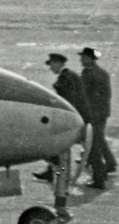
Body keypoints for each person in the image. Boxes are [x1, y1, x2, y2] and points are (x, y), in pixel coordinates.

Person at [33, 53, 90, 182]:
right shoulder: (68, 75)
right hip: (79, 115)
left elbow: (68, 99)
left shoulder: (65, 77)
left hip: (73, 117)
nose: (51, 68)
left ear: (58, 63)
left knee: (58, 145)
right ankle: (53, 173)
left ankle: (59, 175)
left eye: (52, 64)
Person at [80, 47, 115, 189]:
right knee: (99, 139)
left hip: (92, 114)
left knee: (93, 146)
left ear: (89, 58)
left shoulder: (88, 73)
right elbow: (107, 95)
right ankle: (111, 163)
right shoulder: (102, 73)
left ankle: (99, 178)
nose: (81, 60)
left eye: (83, 57)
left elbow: (84, 96)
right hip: (102, 112)